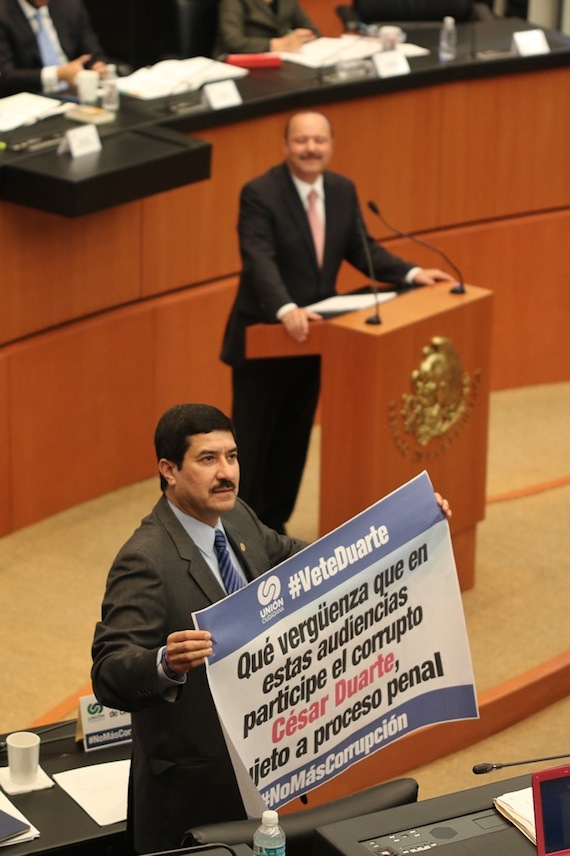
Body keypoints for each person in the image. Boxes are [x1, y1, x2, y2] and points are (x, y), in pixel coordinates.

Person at [92, 401, 452, 854]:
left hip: (266, 765)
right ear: (169, 469)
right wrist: (165, 662)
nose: (226, 472)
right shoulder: (145, 560)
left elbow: (314, 564)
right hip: (197, 793)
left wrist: (405, 530)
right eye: (208, 459)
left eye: (232, 456)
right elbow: (108, 672)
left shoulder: (237, 516)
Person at [221, 110, 454, 534]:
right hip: (266, 338)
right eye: (301, 141)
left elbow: (363, 249)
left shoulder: (342, 190)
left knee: (292, 446)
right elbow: (259, 259)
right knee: (251, 451)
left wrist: (412, 273)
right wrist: (285, 307)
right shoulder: (260, 193)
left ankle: (274, 530)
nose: (311, 149)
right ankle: (240, 541)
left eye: (319, 141)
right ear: (285, 145)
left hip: (315, 341)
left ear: (330, 145)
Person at [0, 0, 106, 96]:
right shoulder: (4, 12)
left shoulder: (69, 4)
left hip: (76, 90)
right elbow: (6, 76)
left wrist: (97, 65)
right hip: (31, 96)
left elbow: (91, 49)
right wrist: (58, 74)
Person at [217, 0, 320, 55]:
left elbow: (312, 32)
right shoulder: (232, 2)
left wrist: (303, 37)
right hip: (246, 62)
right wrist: (277, 44)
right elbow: (232, 42)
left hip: (283, 61)